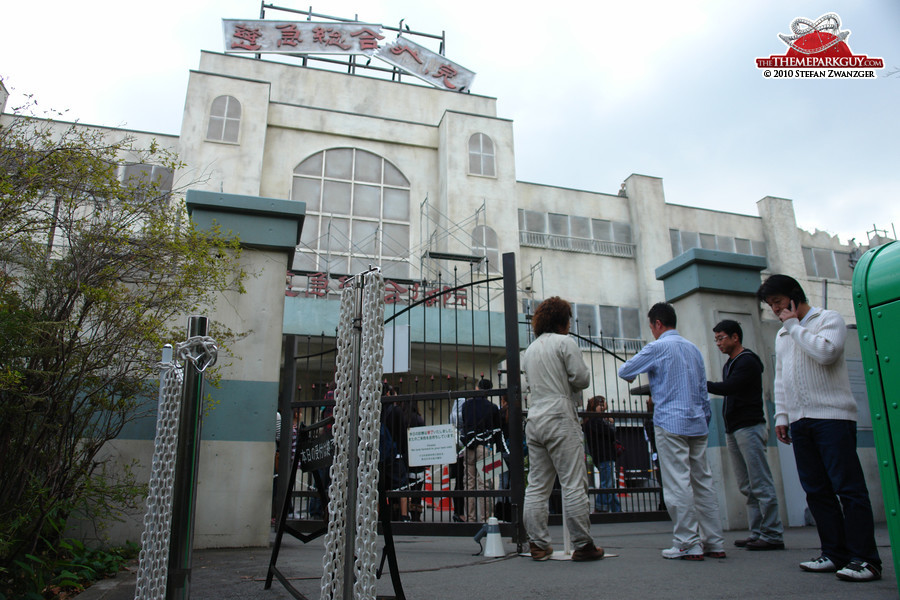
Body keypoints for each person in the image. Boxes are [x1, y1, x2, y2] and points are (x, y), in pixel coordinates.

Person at [758, 274, 881, 582]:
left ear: (794, 297)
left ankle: (865, 559)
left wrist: (795, 327)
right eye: (771, 305)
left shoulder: (829, 319)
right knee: (816, 490)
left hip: (833, 417)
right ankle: (834, 553)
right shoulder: (783, 334)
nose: (775, 310)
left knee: (848, 489)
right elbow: (781, 378)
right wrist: (782, 416)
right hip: (800, 421)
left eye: (778, 302)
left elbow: (826, 353)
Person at [618, 302, 725, 561]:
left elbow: (625, 370)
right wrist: (705, 418)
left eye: (652, 327)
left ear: (657, 324)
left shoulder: (658, 346)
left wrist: (636, 375)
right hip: (698, 421)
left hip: (670, 422)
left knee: (678, 481)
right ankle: (714, 542)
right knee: (703, 482)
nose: (652, 332)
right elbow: (702, 388)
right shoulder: (693, 349)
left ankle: (688, 542)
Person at [521, 296, 604, 562]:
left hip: (535, 418)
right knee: (573, 482)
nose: (570, 323)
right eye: (568, 319)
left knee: (537, 484)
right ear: (562, 321)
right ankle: (583, 544)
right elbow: (581, 378)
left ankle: (538, 543)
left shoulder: (530, 350)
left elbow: (528, 386)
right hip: (560, 414)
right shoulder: (565, 343)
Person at [707, 319, 784, 550]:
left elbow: (731, 387)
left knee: (760, 481)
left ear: (735, 337)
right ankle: (757, 531)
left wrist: (703, 383)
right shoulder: (730, 363)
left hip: (749, 427)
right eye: (716, 339)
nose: (718, 343)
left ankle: (772, 534)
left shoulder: (747, 361)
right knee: (747, 485)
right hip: (734, 428)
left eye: (721, 338)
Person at [460, 378, 504, 523]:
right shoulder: (492, 408)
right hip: (486, 446)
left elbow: (463, 424)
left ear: (477, 388)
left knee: (469, 483)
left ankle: (471, 518)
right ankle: (487, 518)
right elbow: (497, 431)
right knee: (486, 483)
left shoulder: (466, 405)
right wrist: (500, 451)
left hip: (469, 447)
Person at [583, 396, 621, 513]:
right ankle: (600, 508)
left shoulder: (590, 421)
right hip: (604, 454)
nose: (604, 407)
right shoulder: (596, 421)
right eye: (601, 405)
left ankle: (616, 509)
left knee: (610, 483)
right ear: (595, 407)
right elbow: (611, 433)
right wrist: (611, 423)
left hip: (600, 455)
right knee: (607, 483)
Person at [381, 385, 410, 521]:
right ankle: (404, 515)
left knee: (380, 487)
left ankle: (380, 515)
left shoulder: (376, 409)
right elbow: (402, 434)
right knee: (402, 486)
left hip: (380, 454)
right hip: (395, 453)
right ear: (388, 393)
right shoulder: (395, 410)